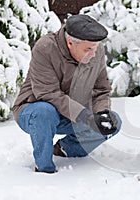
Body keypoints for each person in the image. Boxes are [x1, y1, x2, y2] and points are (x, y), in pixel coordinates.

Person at [13, 14, 121, 173]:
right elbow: (48, 93)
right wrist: (85, 116)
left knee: (113, 121)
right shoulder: (45, 48)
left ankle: (65, 149)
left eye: (95, 48)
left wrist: (102, 112)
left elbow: (101, 89)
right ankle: (44, 170)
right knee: (44, 112)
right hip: (33, 110)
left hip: (73, 113)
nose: (93, 54)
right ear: (70, 43)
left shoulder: (94, 50)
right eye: (88, 49)